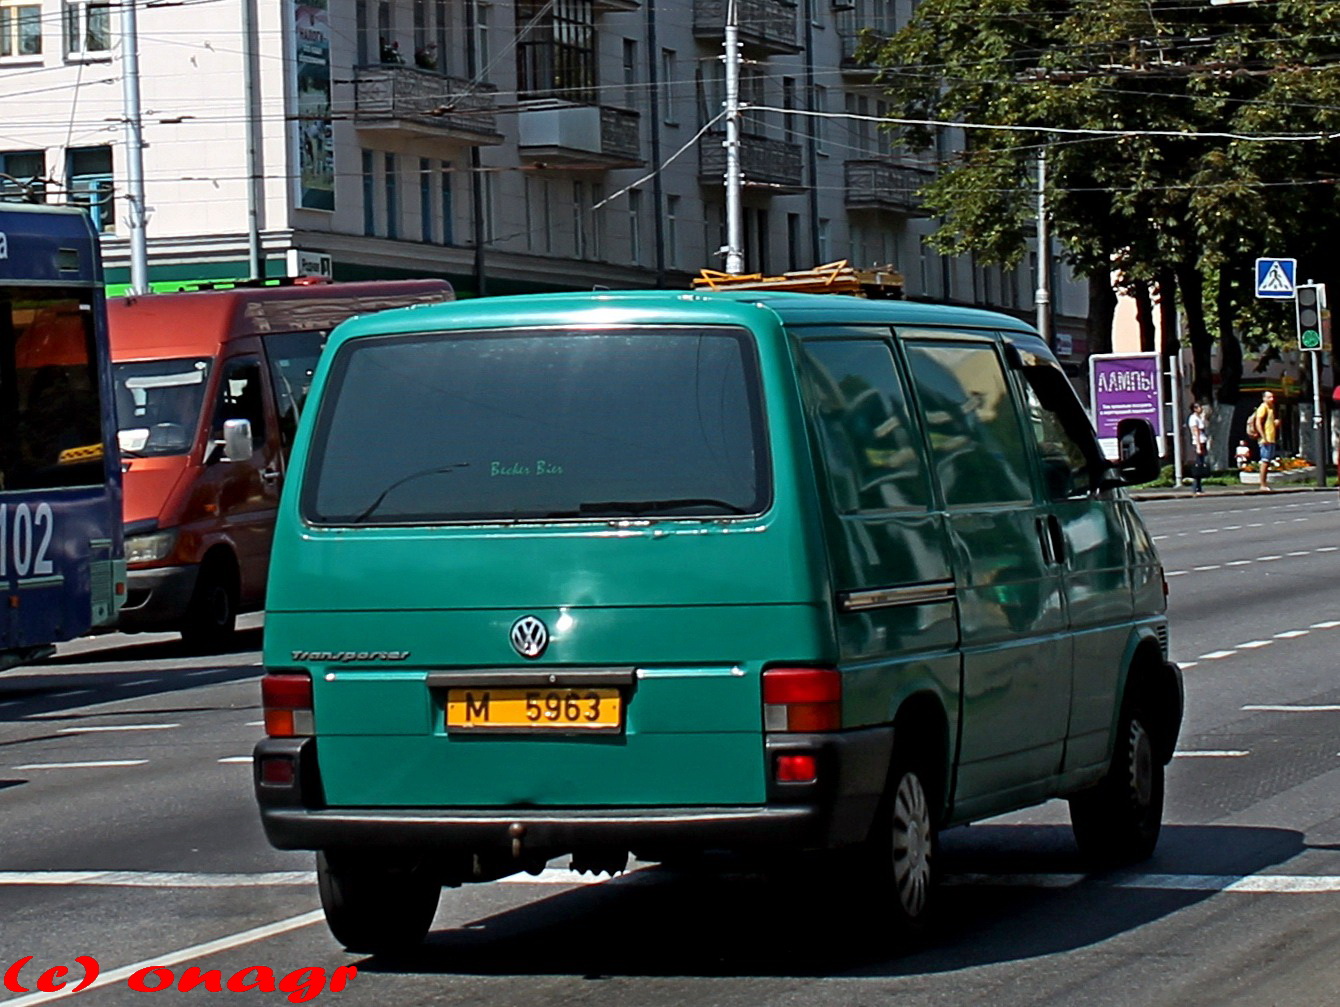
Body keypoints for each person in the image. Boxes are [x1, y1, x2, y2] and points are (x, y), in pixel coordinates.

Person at [1251, 390, 1279, 492]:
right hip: (1265, 439)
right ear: (1264, 398)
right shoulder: (1263, 407)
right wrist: (1263, 437)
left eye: (1272, 397)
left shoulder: (1271, 408)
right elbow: (1258, 422)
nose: (1272, 399)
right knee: (1265, 461)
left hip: (1271, 438)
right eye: (1269, 397)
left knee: (1267, 462)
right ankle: (1262, 484)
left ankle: (1265, 483)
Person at [1188, 402, 1209, 494]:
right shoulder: (1193, 418)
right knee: (1198, 465)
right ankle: (1196, 487)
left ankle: (1199, 487)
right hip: (1198, 442)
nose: (1201, 408)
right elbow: (1195, 432)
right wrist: (1198, 446)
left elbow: (1205, 426)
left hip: (1203, 441)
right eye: (1199, 407)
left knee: (1201, 464)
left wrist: (1204, 417)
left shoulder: (1199, 418)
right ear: (1194, 409)